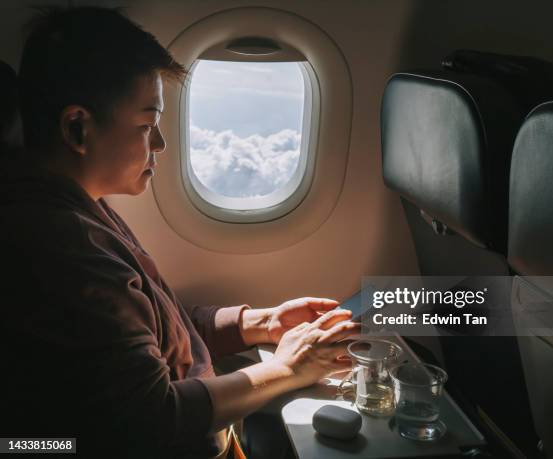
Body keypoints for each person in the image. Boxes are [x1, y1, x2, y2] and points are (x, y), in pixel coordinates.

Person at [0, 6, 359, 459]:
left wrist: (258, 324)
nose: (161, 145)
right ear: (77, 128)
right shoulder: (62, 250)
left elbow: (150, 335)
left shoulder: (77, 206)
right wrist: (290, 368)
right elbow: (153, 416)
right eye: (146, 126)